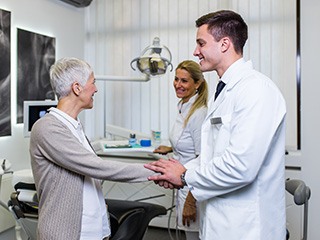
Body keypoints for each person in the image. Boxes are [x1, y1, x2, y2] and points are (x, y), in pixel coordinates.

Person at [145, 10, 286, 240]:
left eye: (201, 43)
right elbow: (211, 156)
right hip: (218, 224)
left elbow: (241, 166)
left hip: (247, 229)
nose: (195, 51)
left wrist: (184, 177)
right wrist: (178, 172)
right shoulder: (221, 94)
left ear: (224, 44)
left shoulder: (257, 90)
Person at [29, 57, 156, 240]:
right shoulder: (47, 127)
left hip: (92, 231)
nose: (96, 88)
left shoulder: (74, 127)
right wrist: (156, 171)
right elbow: (96, 167)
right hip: (64, 233)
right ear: (77, 88)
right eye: (93, 82)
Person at [153, 60, 208, 240]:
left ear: (197, 83)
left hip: (193, 188)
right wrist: (171, 147)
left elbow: (204, 158)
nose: (178, 84)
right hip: (183, 182)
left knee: (194, 235)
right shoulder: (183, 106)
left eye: (184, 81)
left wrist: (191, 200)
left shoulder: (199, 113)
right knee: (188, 233)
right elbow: (190, 141)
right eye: (176, 79)